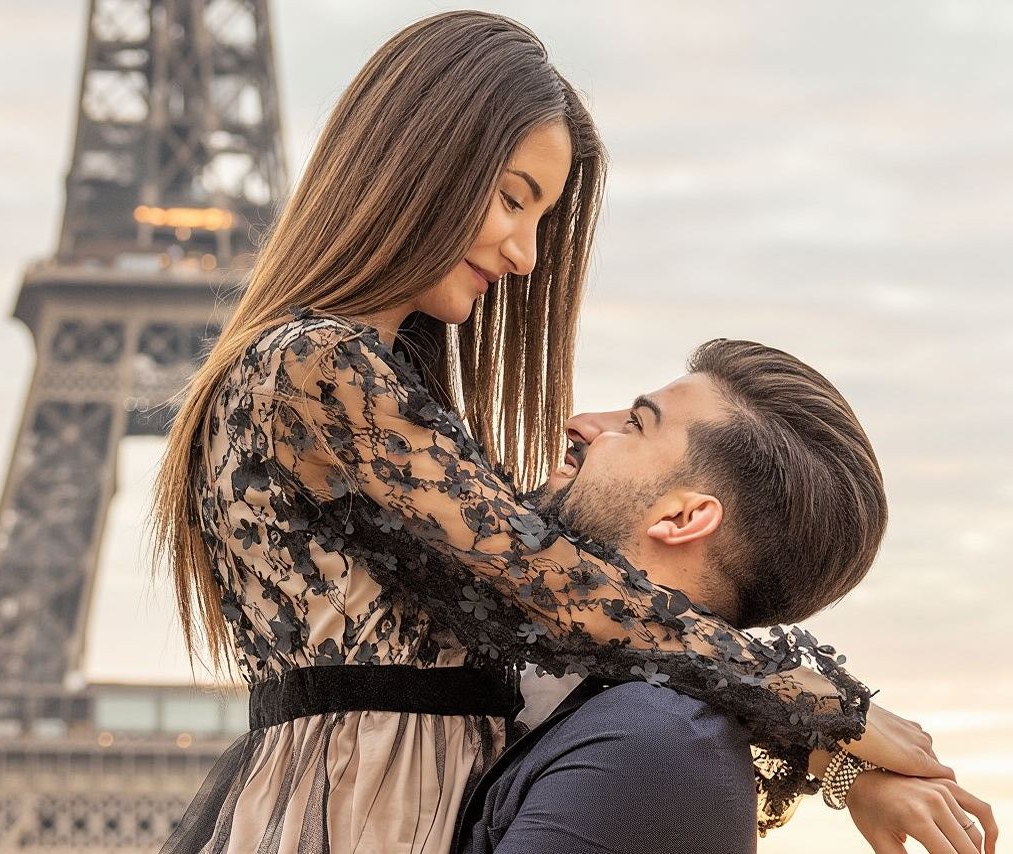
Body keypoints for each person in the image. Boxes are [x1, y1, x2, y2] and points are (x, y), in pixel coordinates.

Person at [150, 11, 949, 854]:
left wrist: (838, 757)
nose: (527, 254)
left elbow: (600, 620)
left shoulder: (382, 393)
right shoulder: (317, 366)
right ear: (421, 161)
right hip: (355, 816)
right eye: (512, 200)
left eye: (539, 217)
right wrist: (831, 709)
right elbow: (561, 592)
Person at [454, 339, 998, 854]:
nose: (581, 424)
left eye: (636, 423)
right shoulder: (571, 677)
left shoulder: (656, 742)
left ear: (684, 517)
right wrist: (832, 754)